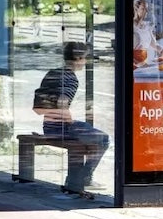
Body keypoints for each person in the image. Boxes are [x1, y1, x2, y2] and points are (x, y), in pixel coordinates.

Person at [33, 41, 109, 192]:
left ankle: (78, 178)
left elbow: (39, 107)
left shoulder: (53, 72)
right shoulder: (71, 79)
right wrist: (70, 121)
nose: (85, 62)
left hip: (48, 126)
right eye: (85, 58)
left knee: (88, 132)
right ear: (78, 58)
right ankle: (84, 178)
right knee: (104, 139)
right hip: (61, 128)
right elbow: (63, 103)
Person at [133, 0, 163, 68]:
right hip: (135, 65)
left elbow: (155, 45)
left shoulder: (147, 26)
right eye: (143, 9)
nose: (146, 11)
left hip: (143, 63)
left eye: (147, 9)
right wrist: (139, 64)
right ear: (136, 9)